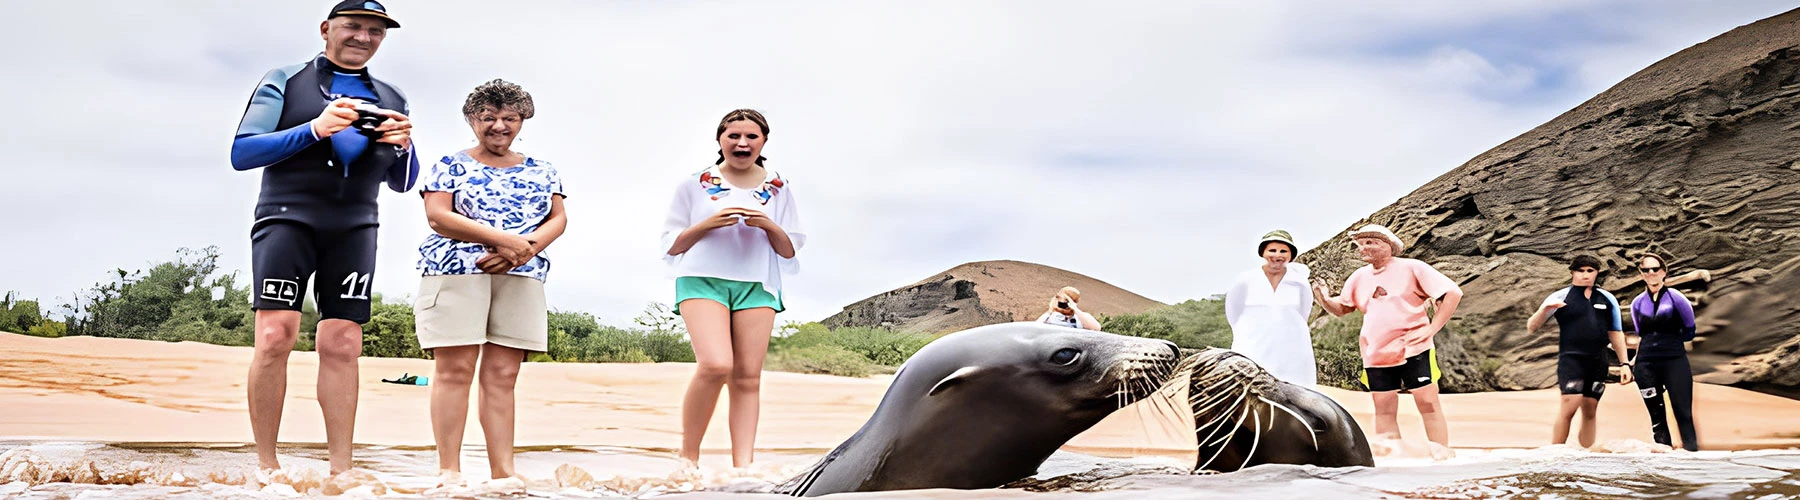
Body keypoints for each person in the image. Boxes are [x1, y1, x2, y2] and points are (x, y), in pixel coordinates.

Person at [228, 0, 415, 474]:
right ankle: (267, 468)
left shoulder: (392, 95)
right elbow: (242, 152)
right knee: (275, 335)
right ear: (326, 28)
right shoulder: (285, 81)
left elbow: (403, 181)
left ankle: (341, 471)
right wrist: (315, 128)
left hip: (355, 225)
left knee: (343, 343)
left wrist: (405, 147)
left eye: (376, 31)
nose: (364, 37)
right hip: (287, 218)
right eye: (353, 26)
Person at [413, 79, 566, 488]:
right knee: (455, 369)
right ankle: (449, 471)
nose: (499, 126)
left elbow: (558, 220)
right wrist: (502, 240)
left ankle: (503, 473)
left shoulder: (542, 168)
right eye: (489, 118)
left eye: (509, 118)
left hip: (522, 274)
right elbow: (438, 216)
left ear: (522, 120)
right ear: (472, 119)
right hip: (455, 270)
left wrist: (523, 250)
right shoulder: (450, 163)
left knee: (502, 376)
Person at [661, 109, 806, 468]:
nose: (742, 143)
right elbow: (672, 244)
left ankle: (744, 468)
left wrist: (769, 226)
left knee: (747, 377)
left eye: (751, 137)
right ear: (720, 140)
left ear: (763, 142)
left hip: (758, 283)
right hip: (701, 279)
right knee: (715, 364)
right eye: (734, 136)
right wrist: (708, 224)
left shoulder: (778, 188)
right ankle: (687, 459)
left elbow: (788, 249)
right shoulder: (694, 184)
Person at [1312, 224, 1461, 459]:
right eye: (1360, 243)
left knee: (1428, 403)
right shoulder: (1358, 277)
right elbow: (1342, 309)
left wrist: (1433, 328)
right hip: (1375, 353)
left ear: (1388, 246)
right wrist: (1323, 298)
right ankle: (1392, 457)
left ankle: (1442, 456)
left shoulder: (1413, 268)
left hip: (1414, 347)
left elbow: (1452, 293)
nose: (1363, 247)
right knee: (1383, 409)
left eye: (1370, 242)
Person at [1526, 254, 1635, 449]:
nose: (1585, 275)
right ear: (1572, 272)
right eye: (1581, 271)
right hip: (1571, 358)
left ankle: (1586, 455)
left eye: (1590, 271)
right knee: (1570, 401)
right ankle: (1555, 451)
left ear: (1596, 273)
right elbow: (1532, 327)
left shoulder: (1607, 298)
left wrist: (1624, 363)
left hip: (1598, 360)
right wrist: (1544, 310)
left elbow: (1616, 332)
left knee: (1590, 408)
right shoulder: (1560, 296)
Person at [1226, 230, 1316, 386]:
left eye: (1283, 251)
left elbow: (1304, 313)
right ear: (1263, 253)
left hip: (1292, 347)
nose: (1277, 255)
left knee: (1295, 394)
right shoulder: (1245, 279)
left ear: (1290, 255)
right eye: (1272, 250)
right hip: (1252, 345)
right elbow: (1233, 313)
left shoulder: (1299, 282)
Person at [1629, 252, 1700, 451]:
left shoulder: (1676, 298)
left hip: (1674, 361)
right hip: (1645, 366)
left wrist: (1668, 342)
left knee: (1682, 412)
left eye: (1655, 269)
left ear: (1664, 272)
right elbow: (1640, 332)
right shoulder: (1637, 303)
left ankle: (1694, 459)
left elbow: (1690, 330)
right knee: (1656, 416)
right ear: (1641, 273)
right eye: (1646, 270)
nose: (1651, 273)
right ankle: (1664, 464)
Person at [1035, 286, 1102, 330]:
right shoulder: (1048, 316)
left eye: (1068, 300)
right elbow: (1034, 328)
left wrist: (1075, 309)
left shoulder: (1081, 317)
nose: (1064, 302)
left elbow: (1096, 328)